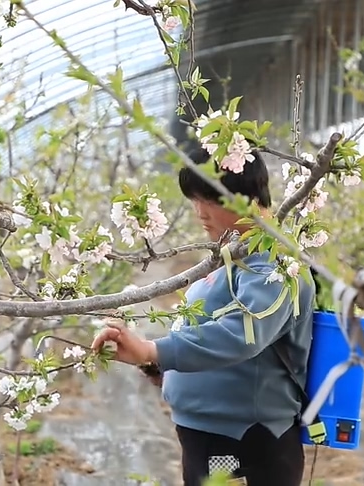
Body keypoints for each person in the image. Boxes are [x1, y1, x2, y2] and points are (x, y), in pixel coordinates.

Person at [91, 146, 316, 486]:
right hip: (213, 434)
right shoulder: (235, 255)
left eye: (208, 199)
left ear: (247, 198)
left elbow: (242, 333)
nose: (199, 212)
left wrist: (156, 351)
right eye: (194, 200)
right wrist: (159, 365)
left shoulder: (274, 262)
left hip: (247, 441)